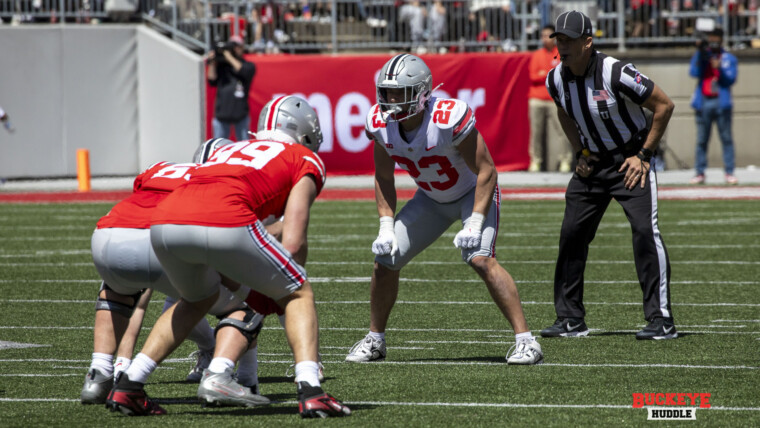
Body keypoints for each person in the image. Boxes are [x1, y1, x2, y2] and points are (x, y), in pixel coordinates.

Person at [105, 95, 350, 419]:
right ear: (305, 135)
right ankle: (310, 389)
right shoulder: (303, 158)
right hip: (223, 219)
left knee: (196, 299)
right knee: (298, 290)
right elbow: (293, 241)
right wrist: (278, 289)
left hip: (164, 222)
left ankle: (130, 384)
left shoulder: (227, 148)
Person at [345, 54, 543, 365]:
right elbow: (383, 176)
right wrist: (385, 226)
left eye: (400, 93)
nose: (392, 100)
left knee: (481, 259)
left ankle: (526, 341)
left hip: (471, 194)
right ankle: (375, 339)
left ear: (423, 93)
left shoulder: (447, 117)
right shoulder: (381, 124)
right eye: (387, 92)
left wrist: (475, 221)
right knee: (385, 260)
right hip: (431, 199)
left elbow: (487, 170)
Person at [81, 138, 269, 405]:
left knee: (116, 292)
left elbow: (140, 198)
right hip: (161, 240)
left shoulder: (159, 167)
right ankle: (236, 378)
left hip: (108, 234)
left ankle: (98, 373)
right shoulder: (220, 180)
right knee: (245, 305)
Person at [539, 11, 677, 340]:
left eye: (570, 40)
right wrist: (580, 153)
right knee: (571, 234)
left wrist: (643, 155)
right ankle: (570, 318)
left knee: (645, 231)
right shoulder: (555, 78)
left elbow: (664, 105)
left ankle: (662, 319)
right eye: (559, 39)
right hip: (593, 165)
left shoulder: (615, 71)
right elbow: (563, 111)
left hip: (630, 160)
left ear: (588, 42)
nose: (563, 46)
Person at [688, 27, 739, 185]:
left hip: (721, 102)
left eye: (716, 39)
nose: (713, 42)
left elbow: (731, 79)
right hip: (704, 101)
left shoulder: (728, 58)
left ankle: (729, 172)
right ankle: (700, 172)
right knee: (702, 139)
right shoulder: (702, 55)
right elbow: (694, 72)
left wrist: (719, 68)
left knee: (726, 139)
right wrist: (702, 56)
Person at [528, 24, 572, 172]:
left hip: (555, 99)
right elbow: (533, 76)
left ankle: (565, 160)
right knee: (536, 132)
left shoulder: (560, 53)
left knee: (563, 130)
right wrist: (549, 73)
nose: (545, 39)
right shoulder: (537, 55)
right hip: (537, 99)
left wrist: (544, 73)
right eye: (543, 35)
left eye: (548, 35)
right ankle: (536, 161)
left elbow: (562, 75)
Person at [207, 35, 256, 141]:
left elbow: (243, 71)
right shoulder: (222, 66)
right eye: (233, 46)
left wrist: (229, 56)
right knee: (219, 147)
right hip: (222, 114)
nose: (235, 49)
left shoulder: (248, 65)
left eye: (237, 46)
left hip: (240, 114)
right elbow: (211, 80)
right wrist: (212, 62)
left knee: (244, 146)